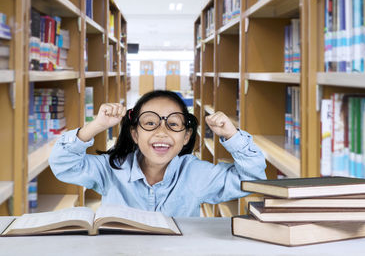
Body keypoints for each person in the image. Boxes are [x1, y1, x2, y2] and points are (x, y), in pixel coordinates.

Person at [49, 90, 267, 217]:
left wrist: (232, 135)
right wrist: (96, 126)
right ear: (134, 134)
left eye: (173, 124)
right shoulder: (110, 168)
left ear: (186, 137)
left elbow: (252, 179)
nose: (162, 132)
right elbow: (63, 165)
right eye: (150, 123)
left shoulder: (195, 173)